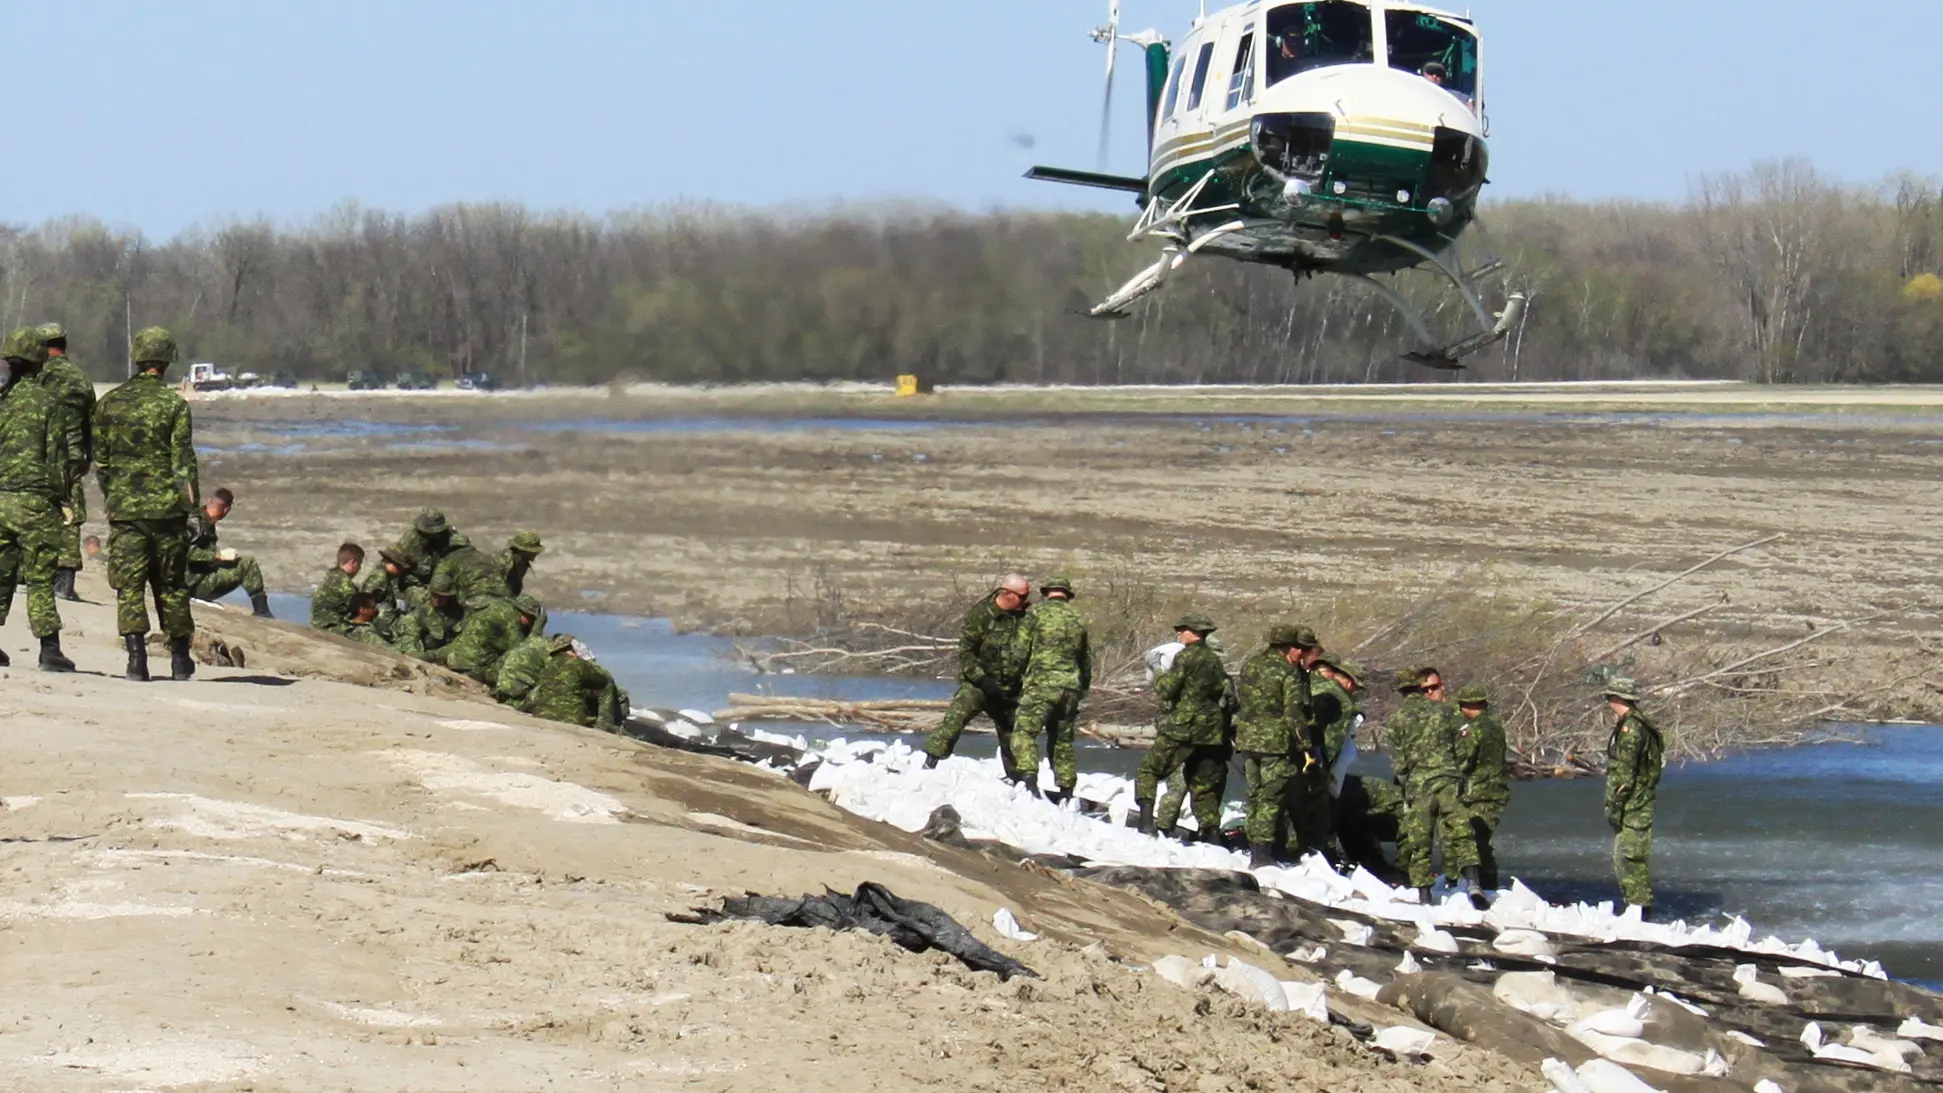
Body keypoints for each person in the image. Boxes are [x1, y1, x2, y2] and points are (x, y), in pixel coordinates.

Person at [94, 327, 199, 682]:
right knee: (171, 585)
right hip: (168, 512)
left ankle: (136, 660)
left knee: (129, 585)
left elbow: (102, 461)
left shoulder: (109, 402)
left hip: (126, 511)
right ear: (167, 360)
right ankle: (181, 659)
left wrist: (115, 496)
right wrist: (193, 511)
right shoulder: (174, 405)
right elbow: (183, 463)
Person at [0, 327, 78, 671]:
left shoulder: (1, 400)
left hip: (1, 500)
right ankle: (49, 649)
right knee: (40, 576)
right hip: (35, 502)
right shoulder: (49, 402)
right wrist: (63, 499)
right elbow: (58, 459)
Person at [1386, 667, 1483, 906]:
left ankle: (1424, 895)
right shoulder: (1447, 712)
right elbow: (1465, 750)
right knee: (1462, 832)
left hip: (1419, 786)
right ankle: (1473, 881)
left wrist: (1407, 784)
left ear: (1401, 691)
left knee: (1420, 841)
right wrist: (1456, 772)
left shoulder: (1397, 719)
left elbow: (1398, 762)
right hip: (1448, 780)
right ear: (1420, 688)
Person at [1134, 614, 1232, 841]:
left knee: (1149, 771)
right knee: (1204, 785)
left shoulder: (1185, 657)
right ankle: (1212, 836)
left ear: (1194, 632)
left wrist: (1158, 669)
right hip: (1210, 731)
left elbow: (1167, 689)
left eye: (1183, 629)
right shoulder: (1215, 662)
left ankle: (1147, 824)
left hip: (1183, 726)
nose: (1179, 633)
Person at [923, 573, 1032, 774]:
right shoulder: (982, 614)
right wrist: (981, 679)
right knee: (952, 723)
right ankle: (929, 764)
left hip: (1009, 690)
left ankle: (1019, 780)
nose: (1026, 601)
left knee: (1015, 739)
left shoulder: (1026, 618)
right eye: (1022, 597)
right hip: (979, 685)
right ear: (1007, 593)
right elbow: (966, 652)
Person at [1232, 624, 1318, 869]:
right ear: (1289, 646)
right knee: (1271, 798)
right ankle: (1261, 855)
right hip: (1276, 744)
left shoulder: (1250, 665)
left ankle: (1254, 847)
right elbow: (1293, 713)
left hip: (1248, 739)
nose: (1302, 653)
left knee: (1254, 795)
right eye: (1299, 648)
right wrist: (1306, 746)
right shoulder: (1287, 672)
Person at [1009, 574, 1091, 805]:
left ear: (1046, 593)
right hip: (1070, 688)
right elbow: (1086, 661)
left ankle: (1029, 781)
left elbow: (1020, 650)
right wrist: (1081, 688)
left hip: (1042, 684)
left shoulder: (1035, 614)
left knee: (1025, 732)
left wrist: (1012, 679)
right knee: (1062, 740)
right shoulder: (1078, 619)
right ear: (1067, 595)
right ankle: (1066, 790)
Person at [35, 322, 93, 602]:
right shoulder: (81, 378)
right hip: (71, 455)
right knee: (69, 512)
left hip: (38, 451)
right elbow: (91, 423)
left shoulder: (37, 376)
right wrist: (88, 457)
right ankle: (65, 581)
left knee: (33, 507)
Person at [1603, 678, 1665, 919]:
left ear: (1618, 699)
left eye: (1609, 698)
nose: (1608, 703)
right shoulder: (1637, 724)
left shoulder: (1632, 729)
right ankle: (1636, 907)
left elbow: (1625, 775)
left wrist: (1615, 806)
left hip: (1634, 804)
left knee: (1629, 856)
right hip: (1637, 801)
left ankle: (1639, 910)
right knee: (1626, 855)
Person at [1454, 684, 1511, 890]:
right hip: (1497, 791)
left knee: (1472, 840)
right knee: (1483, 842)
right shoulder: (1496, 727)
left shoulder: (1473, 730)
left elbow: (1464, 760)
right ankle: (1489, 884)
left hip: (1478, 792)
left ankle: (1480, 885)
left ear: (1467, 706)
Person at [185, 488, 273, 617]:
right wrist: (218, 556)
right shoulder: (196, 523)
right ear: (226, 510)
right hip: (193, 584)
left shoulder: (205, 521)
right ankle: (262, 611)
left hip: (196, 578)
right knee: (247, 564)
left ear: (210, 501)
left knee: (240, 561)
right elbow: (183, 552)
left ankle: (262, 610)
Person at [524, 635, 630, 730]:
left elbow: (534, 697)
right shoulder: (578, 663)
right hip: (572, 718)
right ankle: (605, 726)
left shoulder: (546, 667)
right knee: (607, 685)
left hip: (542, 716)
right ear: (572, 649)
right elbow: (604, 682)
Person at [441, 593, 545, 687]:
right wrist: (536, 631)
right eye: (531, 619)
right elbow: (519, 651)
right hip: (469, 666)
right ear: (524, 613)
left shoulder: (500, 606)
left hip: (454, 655)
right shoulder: (512, 621)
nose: (530, 623)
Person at [392, 568, 466, 663]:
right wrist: (416, 656)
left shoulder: (456, 611)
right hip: (418, 650)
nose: (437, 600)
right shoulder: (422, 608)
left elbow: (459, 638)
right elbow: (410, 634)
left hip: (441, 653)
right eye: (434, 595)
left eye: (441, 596)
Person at [311, 543, 365, 635]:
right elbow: (359, 606)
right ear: (352, 562)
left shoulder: (332, 575)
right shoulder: (343, 581)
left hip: (318, 623)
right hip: (331, 627)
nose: (360, 568)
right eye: (359, 564)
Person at [498, 530, 543, 597]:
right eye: (534, 551)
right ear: (524, 551)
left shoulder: (521, 562)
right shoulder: (506, 562)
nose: (536, 553)